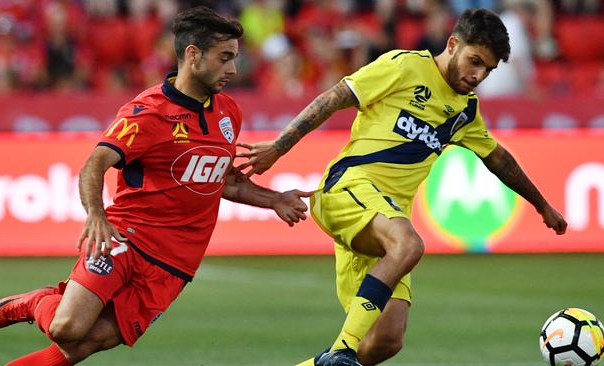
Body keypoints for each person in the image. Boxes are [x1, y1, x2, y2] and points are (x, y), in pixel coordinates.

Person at [237, 8, 567, 366]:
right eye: (475, 61)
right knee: (409, 244)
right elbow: (333, 98)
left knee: (386, 339)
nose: (478, 75)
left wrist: (542, 205)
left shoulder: (465, 112)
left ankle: (325, 362)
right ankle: (342, 349)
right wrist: (278, 147)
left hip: (384, 220)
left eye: (488, 69)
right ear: (453, 44)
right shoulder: (404, 66)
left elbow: (498, 159)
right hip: (347, 189)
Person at [0, 7, 311, 365]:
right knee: (67, 329)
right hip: (128, 239)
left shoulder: (228, 112)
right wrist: (96, 214)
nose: (233, 69)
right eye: (225, 58)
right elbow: (95, 163)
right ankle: (36, 302)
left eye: (234, 58)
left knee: (86, 344)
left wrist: (275, 199)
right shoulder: (148, 112)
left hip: (175, 265)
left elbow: (222, 180)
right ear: (192, 55)